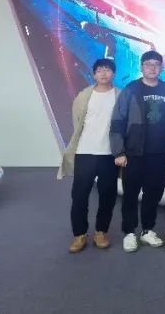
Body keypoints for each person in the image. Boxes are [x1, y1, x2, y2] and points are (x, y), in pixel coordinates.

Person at [110, 50, 165, 253]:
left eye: (156, 64)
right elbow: (117, 121)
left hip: (158, 152)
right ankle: (129, 232)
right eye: (148, 64)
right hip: (134, 152)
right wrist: (118, 151)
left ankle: (148, 229)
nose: (152, 68)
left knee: (154, 192)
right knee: (130, 193)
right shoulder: (131, 89)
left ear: (161, 68)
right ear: (141, 67)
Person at [59, 58, 120, 253]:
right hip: (85, 151)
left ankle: (101, 232)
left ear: (113, 74)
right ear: (94, 74)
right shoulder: (84, 95)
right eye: (100, 70)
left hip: (109, 154)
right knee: (79, 195)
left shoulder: (120, 95)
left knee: (107, 195)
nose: (103, 73)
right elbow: (77, 121)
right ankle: (79, 234)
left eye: (107, 70)